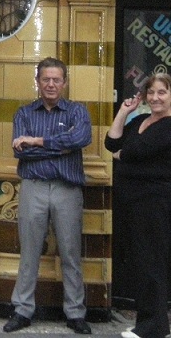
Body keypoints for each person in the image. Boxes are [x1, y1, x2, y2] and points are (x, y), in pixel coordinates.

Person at [3, 57, 92, 335]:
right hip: (34, 186)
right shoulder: (25, 113)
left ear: (64, 82)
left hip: (67, 189)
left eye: (56, 79)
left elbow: (80, 140)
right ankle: (22, 309)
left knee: (70, 252)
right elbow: (21, 152)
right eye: (46, 79)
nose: (51, 84)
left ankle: (75, 313)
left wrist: (37, 141)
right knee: (29, 251)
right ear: (38, 82)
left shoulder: (78, 112)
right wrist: (60, 148)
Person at [106, 73, 171, 338]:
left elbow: (133, 151)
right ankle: (149, 322)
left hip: (153, 204)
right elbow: (112, 142)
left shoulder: (168, 126)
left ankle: (154, 326)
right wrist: (124, 112)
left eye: (162, 92)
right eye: (151, 93)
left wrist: (123, 154)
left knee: (151, 262)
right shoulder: (142, 120)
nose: (155, 98)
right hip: (132, 204)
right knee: (140, 262)